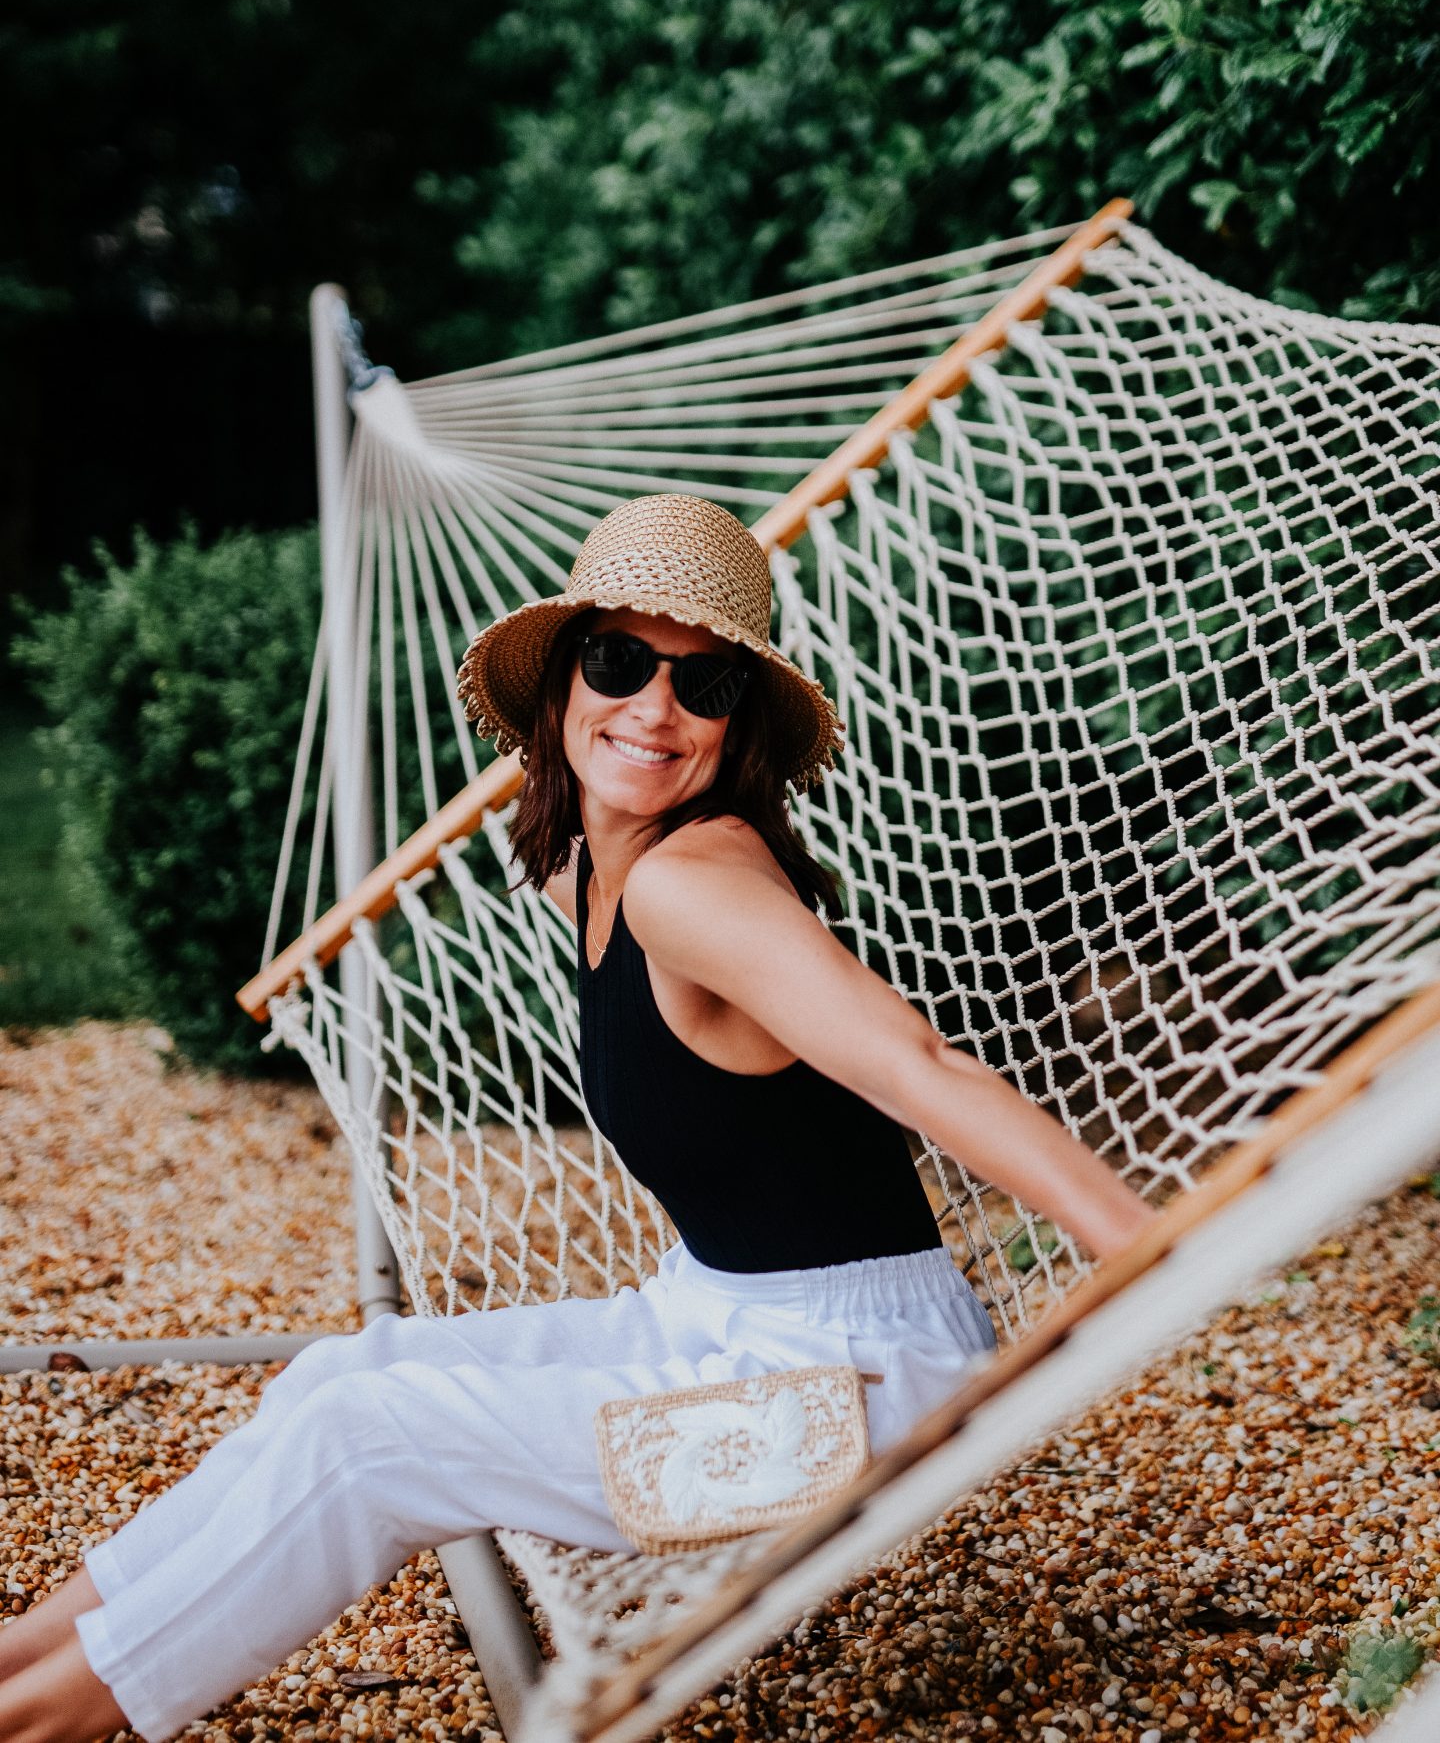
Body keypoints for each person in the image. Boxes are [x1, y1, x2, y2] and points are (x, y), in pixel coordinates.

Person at [0, 494, 1154, 1743]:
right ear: (559, 681)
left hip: (854, 1392)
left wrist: (1156, 1251)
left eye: (702, 684)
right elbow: (558, 792)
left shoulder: (690, 888)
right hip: (719, 1317)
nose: (655, 709)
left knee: (369, 1441)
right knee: (353, 1372)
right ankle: (20, 1654)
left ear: (740, 720)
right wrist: (567, 754)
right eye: (615, 662)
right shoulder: (591, 863)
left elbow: (923, 1067)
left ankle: (35, 1717)